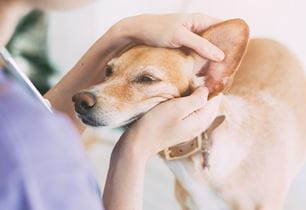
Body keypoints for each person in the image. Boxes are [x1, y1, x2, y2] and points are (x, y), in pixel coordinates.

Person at [0, 0, 225, 209]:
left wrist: (122, 34)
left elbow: (46, 138)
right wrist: (134, 150)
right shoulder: (21, 143)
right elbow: (39, 147)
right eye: (109, 72)